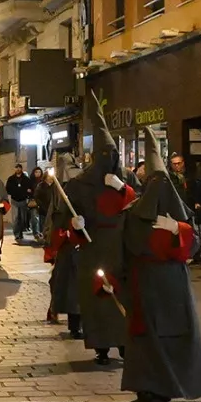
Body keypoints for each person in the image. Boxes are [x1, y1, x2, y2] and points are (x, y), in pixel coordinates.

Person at [121, 130, 201, 402]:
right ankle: (148, 385)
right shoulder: (134, 214)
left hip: (173, 284)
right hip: (146, 282)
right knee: (147, 337)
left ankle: (172, 384)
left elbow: (194, 245)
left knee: (173, 335)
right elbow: (128, 247)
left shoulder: (179, 214)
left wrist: (177, 229)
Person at [63, 101, 136, 366]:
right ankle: (101, 345)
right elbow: (67, 215)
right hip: (94, 249)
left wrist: (122, 189)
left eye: (113, 155)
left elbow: (139, 206)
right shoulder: (80, 184)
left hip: (121, 247)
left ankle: (125, 341)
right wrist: (75, 224)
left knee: (123, 293)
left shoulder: (126, 179)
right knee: (97, 298)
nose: (110, 160)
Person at [42, 153, 82, 333]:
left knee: (72, 281)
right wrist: (53, 235)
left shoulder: (80, 184)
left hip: (79, 239)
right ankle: (55, 309)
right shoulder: (58, 189)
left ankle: (74, 316)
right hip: (64, 240)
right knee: (59, 278)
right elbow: (55, 213)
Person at [5, 163, 34, 243]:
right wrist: (13, 192)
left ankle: (20, 233)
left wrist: (28, 193)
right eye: (16, 168)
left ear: (21, 169)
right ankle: (17, 235)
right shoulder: (11, 179)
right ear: (15, 169)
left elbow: (31, 188)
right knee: (16, 218)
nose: (18, 169)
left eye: (19, 168)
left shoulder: (26, 179)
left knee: (23, 218)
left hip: (23, 200)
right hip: (14, 200)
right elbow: (7, 188)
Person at [32, 167, 56, 247]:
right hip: (43, 209)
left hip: (52, 208)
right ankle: (45, 240)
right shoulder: (41, 186)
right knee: (44, 225)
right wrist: (40, 205)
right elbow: (36, 196)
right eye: (49, 177)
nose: (50, 179)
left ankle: (50, 240)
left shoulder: (55, 186)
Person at [27, 166, 46, 241]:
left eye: (39, 172)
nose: (38, 174)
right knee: (34, 218)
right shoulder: (30, 181)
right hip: (34, 201)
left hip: (42, 202)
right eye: (36, 172)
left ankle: (42, 233)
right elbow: (28, 191)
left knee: (42, 218)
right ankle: (36, 233)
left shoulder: (43, 182)